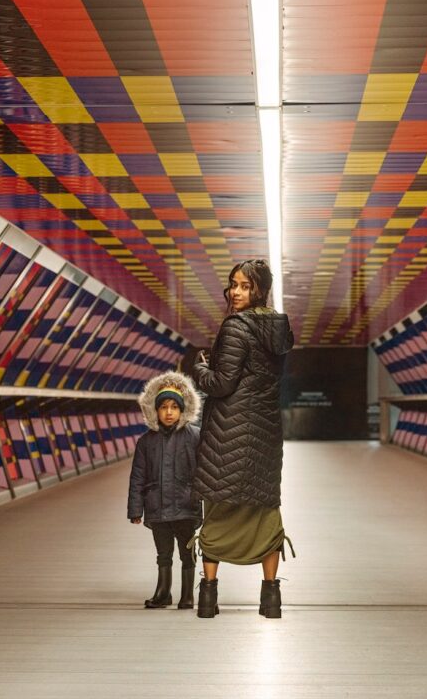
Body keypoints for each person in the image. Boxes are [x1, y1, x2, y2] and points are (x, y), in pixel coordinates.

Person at [191, 259, 294, 619]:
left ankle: (208, 596)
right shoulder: (279, 328)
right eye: (233, 284)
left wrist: (201, 367)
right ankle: (270, 597)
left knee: (218, 509)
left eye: (245, 286)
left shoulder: (235, 327)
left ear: (259, 290)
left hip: (228, 432)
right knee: (266, 512)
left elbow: (222, 384)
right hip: (265, 434)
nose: (236, 292)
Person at [127, 371, 202, 610]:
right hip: (157, 507)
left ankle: (188, 594)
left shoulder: (195, 437)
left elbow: (204, 471)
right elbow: (137, 476)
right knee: (163, 553)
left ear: (183, 410)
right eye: (163, 407)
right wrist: (135, 508)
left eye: (174, 407)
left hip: (186, 506)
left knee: (187, 552)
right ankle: (163, 592)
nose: (169, 412)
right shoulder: (146, 442)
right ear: (154, 410)